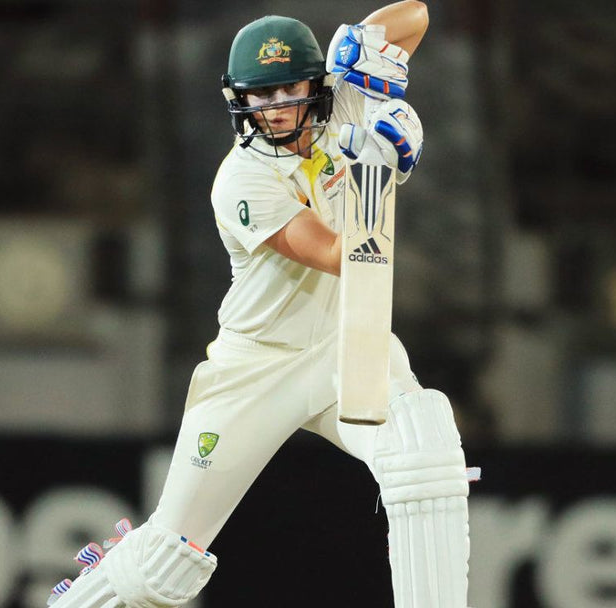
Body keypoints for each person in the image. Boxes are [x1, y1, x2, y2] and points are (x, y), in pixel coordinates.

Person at [50, 3, 473, 607]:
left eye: (288, 88)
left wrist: (356, 47)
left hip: (344, 342)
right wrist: (379, 164)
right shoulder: (241, 181)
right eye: (259, 94)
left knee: (424, 454)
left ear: (317, 86)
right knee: (165, 563)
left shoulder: (343, 103)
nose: (274, 106)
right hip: (255, 368)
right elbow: (339, 254)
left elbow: (416, 17)